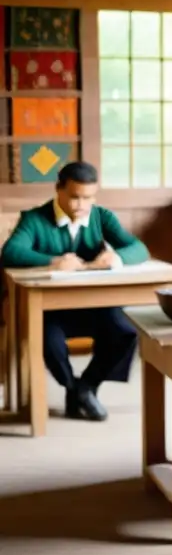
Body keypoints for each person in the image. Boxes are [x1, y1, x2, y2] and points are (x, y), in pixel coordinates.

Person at [0, 161, 149, 421]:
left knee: (125, 332)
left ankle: (85, 387)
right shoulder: (35, 219)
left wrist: (116, 258)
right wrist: (53, 262)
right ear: (59, 190)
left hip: (95, 304)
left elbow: (139, 248)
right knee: (49, 341)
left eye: (88, 198)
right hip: (50, 309)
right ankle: (72, 388)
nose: (82, 205)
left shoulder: (101, 217)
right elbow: (10, 252)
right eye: (75, 197)